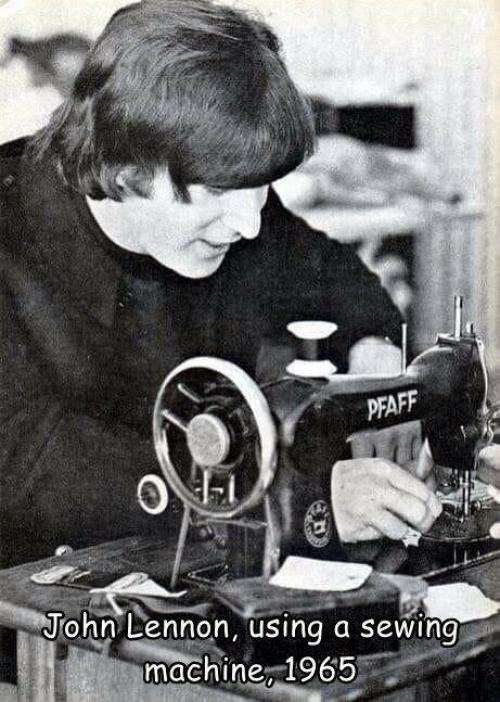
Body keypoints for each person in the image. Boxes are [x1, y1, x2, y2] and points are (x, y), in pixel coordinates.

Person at [0, 0, 440, 574]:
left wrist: (376, 362)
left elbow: (332, 276)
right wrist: (291, 497)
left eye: (260, 189)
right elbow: (34, 466)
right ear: (126, 170)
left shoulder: (228, 188)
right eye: (217, 192)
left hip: (184, 566)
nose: (250, 224)